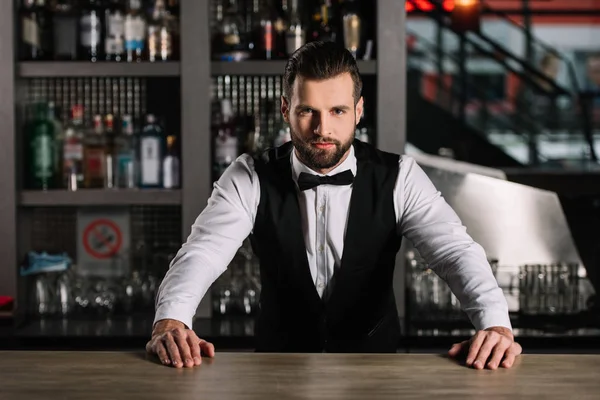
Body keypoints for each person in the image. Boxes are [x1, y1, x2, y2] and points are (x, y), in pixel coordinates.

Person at [146, 41, 522, 369]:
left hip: (374, 374)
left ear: (359, 111)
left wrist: (494, 324)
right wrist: (171, 320)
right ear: (285, 110)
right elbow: (202, 252)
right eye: (307, 111)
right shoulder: (249, 175)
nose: (322, 129)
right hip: (276, 373)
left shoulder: (401, 176)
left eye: (338, 111)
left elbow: (454, 252)